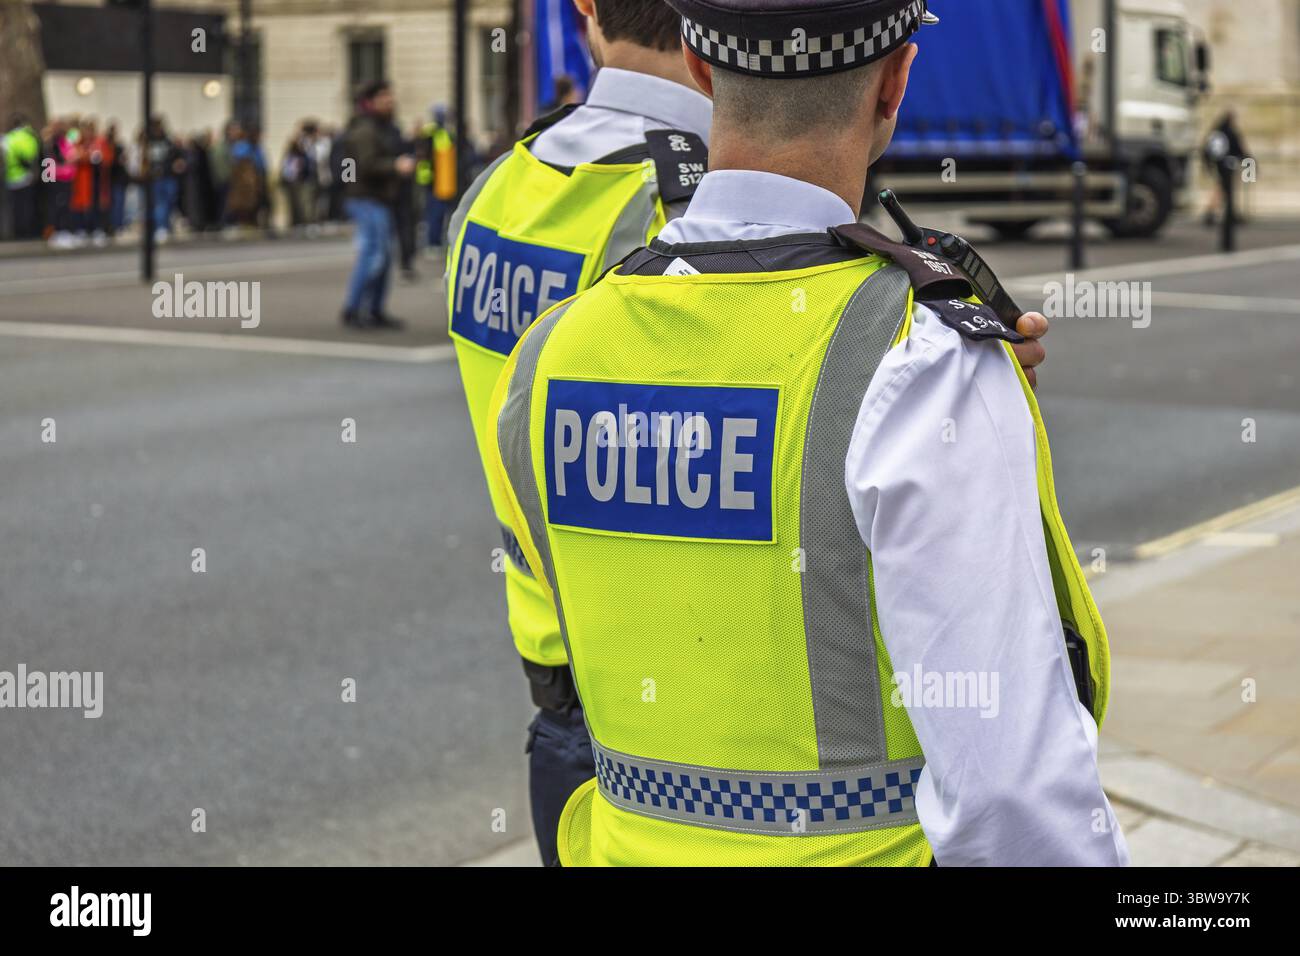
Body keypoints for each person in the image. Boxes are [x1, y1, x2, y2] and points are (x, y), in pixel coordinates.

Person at [487, 0, 1120, 867]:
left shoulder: (550, 353)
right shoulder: (919, 360)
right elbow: (1013, 797)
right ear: (896, 80)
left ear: (704, 74)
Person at [339, 80, 415, 330]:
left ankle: (372, 310)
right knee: (374, 255)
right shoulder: (366, 130)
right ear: (370, 102)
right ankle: (354, 309)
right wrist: (395, 165)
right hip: (366, 198)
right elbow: (366, 164)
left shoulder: (380, 128)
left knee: (382, 255)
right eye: (384, 97)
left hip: (376, 199)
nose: (390, 101)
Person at [416, 105, 457, 248]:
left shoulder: (443, 132)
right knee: (434, 211)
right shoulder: (432, 132)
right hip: (433, 179)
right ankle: (432, 241)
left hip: (443, 180)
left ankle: (436, 240)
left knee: (439, 212)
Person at [3, 113, 43, 239]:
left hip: (11, 176)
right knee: (27, 206)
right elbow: (38, 157)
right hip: (27, 177)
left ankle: (17, 232)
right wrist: (48, 177)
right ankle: (29, 232)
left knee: (15, 207)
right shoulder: (30, 137)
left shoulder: (8, 138)